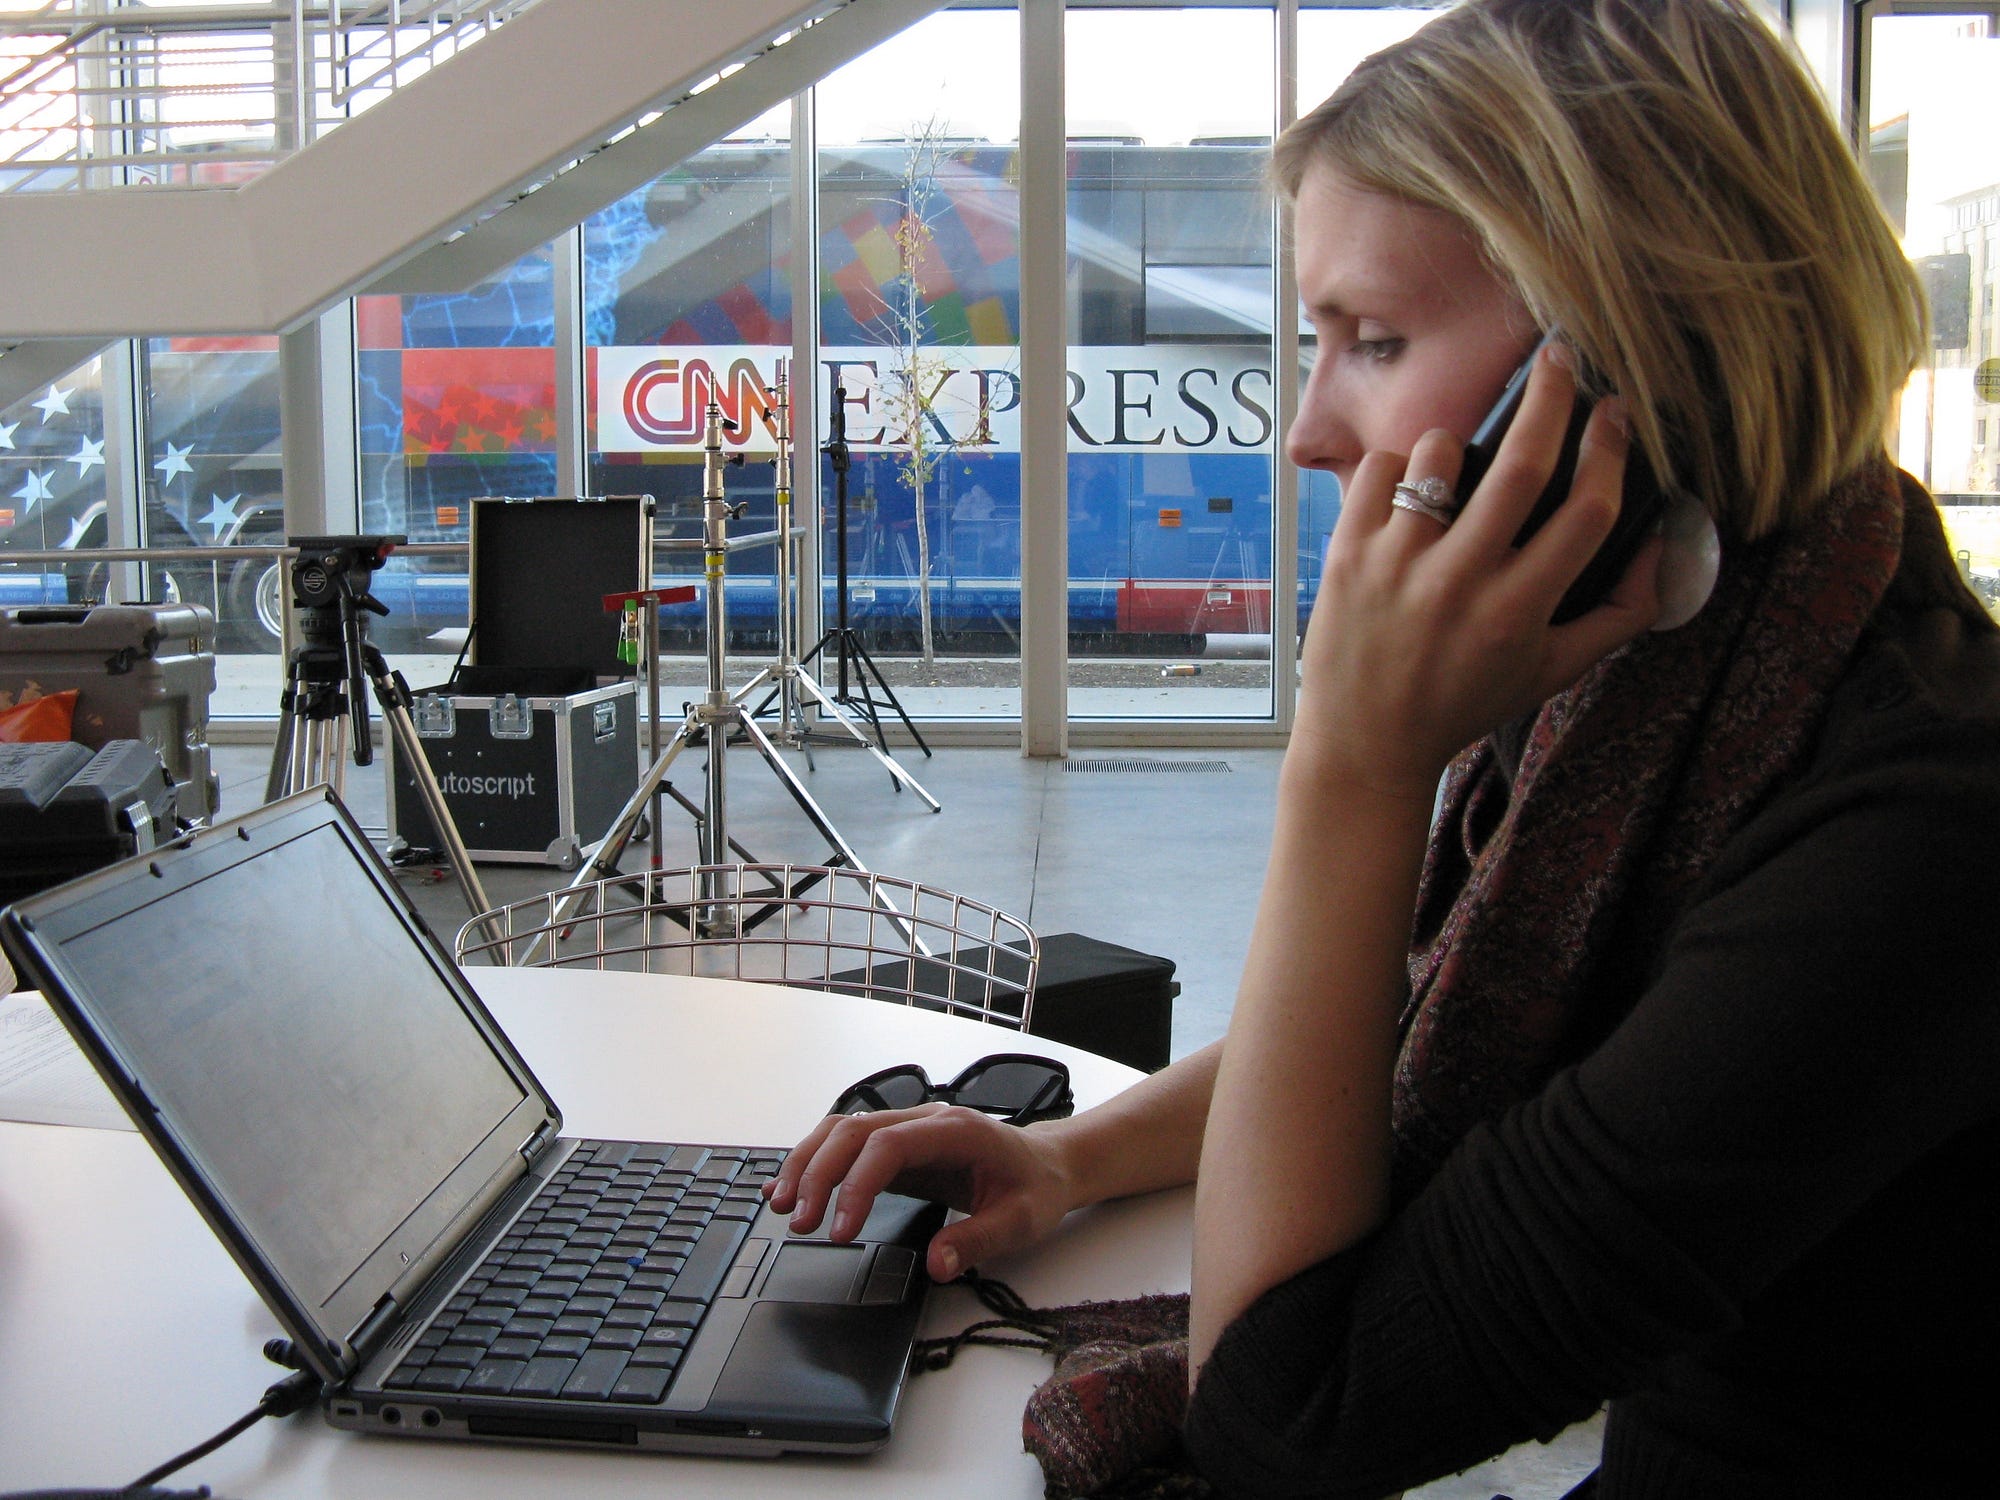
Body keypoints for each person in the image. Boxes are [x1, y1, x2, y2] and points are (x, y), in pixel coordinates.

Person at [767, 0, 2000, 1493]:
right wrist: (1067, 1158)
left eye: (1377, 341)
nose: (1306, 432)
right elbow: (1401, 1027)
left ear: (1620, 379)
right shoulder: (1676, 678)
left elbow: (1287, 1418)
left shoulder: (1921, 833)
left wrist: (1349, 769)